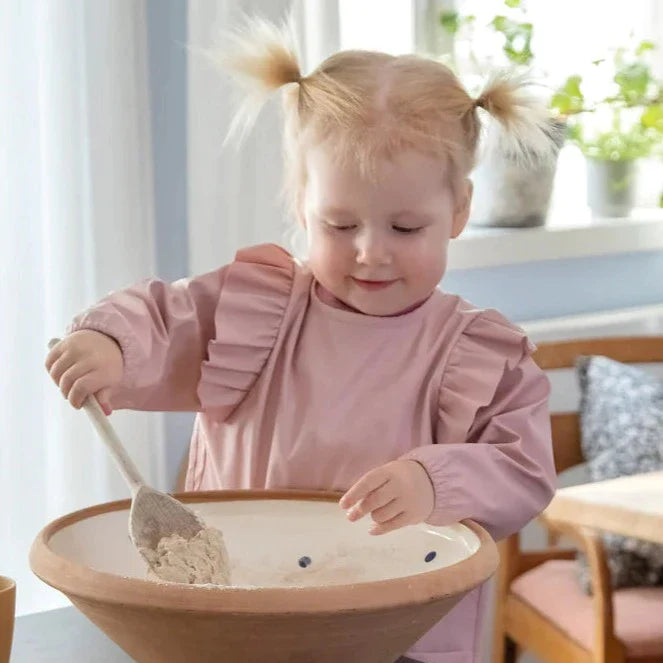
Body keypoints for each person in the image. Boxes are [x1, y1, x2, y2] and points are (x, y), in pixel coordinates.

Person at [45, 17, 556, 663]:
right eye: (340, 224)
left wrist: (436, 482)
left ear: (458, 210)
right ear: (300, 203)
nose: (371, 252)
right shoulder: (251, 308)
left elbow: (522, 469)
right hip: (240, 610)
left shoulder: (479, 354)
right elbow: (161, 319)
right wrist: (110, 344)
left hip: (397, 634)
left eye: (405, 227)